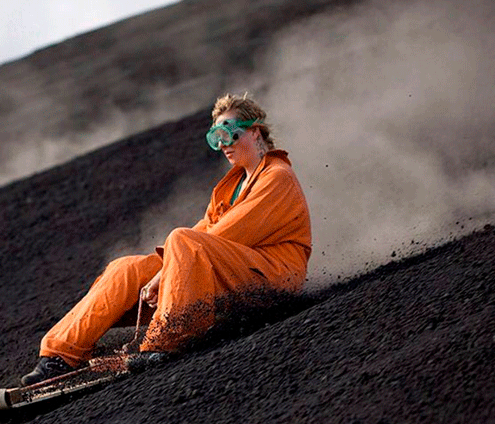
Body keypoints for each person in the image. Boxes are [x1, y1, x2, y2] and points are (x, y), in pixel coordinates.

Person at [21, 93, 312, 386]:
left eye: (228, 134)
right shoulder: (230, 187)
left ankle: (162, 344)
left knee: (182, 241)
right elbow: (205, 231)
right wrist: (162, 270)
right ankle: (60, 355)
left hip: (273, 278)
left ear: (254, 130)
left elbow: (229, 232)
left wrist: (164, 275)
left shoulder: (277, 177)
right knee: (127, 269)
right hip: (230, 271)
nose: (223, 145)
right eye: (215, 138)